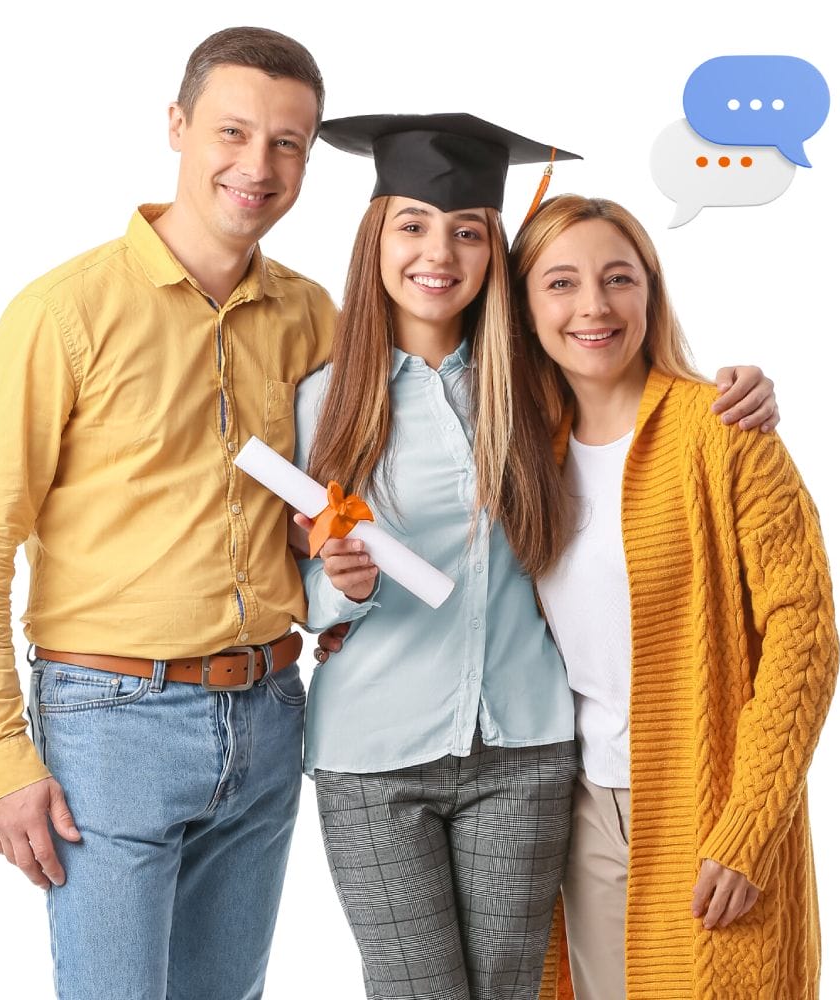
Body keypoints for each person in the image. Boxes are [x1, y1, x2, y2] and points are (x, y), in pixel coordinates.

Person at [296, 115, 780, 1000]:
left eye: (468, 231)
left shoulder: (536, 389)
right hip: (372, 749)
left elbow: (632, 406)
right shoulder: (322, 402)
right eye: (412, 225)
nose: (438, 253)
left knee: (516, 988)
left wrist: (738, 388)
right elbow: (290, 579)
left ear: (495, 253)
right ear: (375, 240)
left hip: (526, 747)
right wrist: (338, 592)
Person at [0, 27, 335, 1000]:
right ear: (177, 126)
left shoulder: (314, 315)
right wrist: (0, 756)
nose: (258, 165)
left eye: (287, 142)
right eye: (232, 131)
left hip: (272, 711)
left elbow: (337, 501)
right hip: (111, 725)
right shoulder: (64, 311)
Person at [509, 194, 838, 1000]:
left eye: (619, 278)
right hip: (579, 810)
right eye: (561, 283)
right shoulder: (526, 454)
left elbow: (804, 637)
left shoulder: (724, 431)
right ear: (524, 307)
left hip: (711, 805)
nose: (594, 305)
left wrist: (750, 824)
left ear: (651, 294)